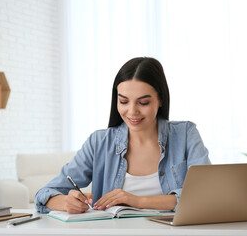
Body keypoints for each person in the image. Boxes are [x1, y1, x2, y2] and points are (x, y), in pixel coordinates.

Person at [35, 57, 211, 214]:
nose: (132, 112)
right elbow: (46, 192)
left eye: (143, 102)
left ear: (161, 99)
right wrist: (65, 202)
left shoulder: (186, 134)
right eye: (124, 101)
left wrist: (138, 201)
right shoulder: (99, 142)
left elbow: (206, 194)